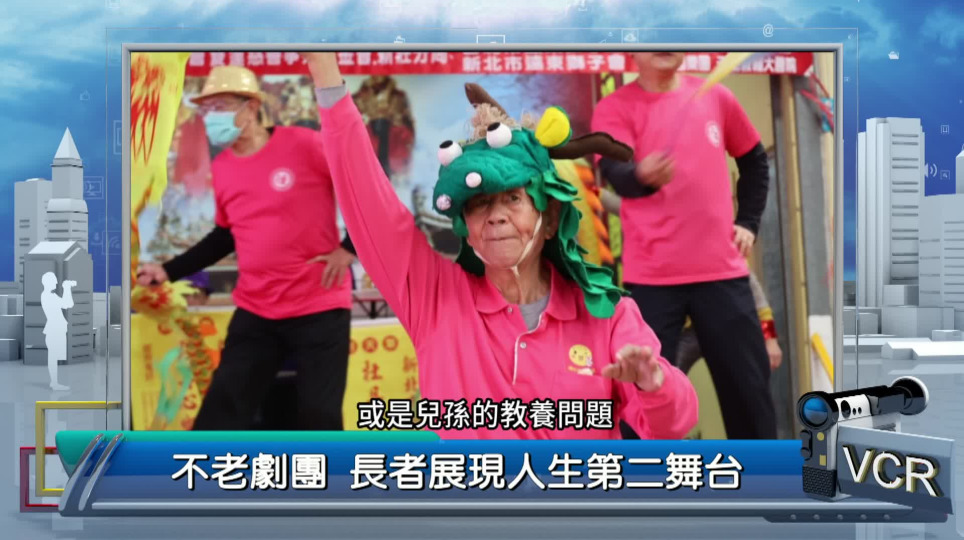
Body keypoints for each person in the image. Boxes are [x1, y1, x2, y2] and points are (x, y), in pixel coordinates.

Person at [302, 52, 698, 440]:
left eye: (513, 199)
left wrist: (654, 383)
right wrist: (323, 67)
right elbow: (365, 195)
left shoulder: (605, 313)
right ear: (466, 228)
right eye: (480, 204)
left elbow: (671, 426)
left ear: (550, 220)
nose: (496, 216)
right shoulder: (433, 297)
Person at [137, 65, 357, 431]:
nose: (212, 117)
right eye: (207, 109)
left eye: (221, 106)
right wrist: (168, 270)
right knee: (219, 417)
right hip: (257, 308)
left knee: (319, 419)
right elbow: (224, 235)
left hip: (319, 305)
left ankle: (324, 471)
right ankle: (201, 468)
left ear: (251, 107)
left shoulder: (305, 144)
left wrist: (350, 247)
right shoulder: (223, 167)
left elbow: (363, 187)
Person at [592, 52, 776, 439]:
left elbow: (756, 163)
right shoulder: (614, 108)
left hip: (723, 276)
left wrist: (748, 222)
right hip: (652, 282)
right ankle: (639, 477)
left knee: (751, 402)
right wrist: (640, 174)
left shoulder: (718, 97)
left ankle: (764, 478)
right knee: (639, 403)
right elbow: (615, 173)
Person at [600, 191, 783, 375]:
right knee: (666, 376)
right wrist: (590, 187)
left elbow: (752, 286)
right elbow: (624, 208)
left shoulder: (715, 236)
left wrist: (770, 339)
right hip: (683, 329)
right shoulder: (660, 226)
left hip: (720, 321)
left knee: (741, 378)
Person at [40, 272, 75, 391]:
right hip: (54, 330)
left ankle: (54, 382)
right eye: (54, 280)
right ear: (48, 282)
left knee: (53, 357)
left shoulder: (48, 295)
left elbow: (67, 304)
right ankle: (54, 383)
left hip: (55, 329)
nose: (56, 283)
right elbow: (68, 304)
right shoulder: (49, 296)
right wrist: (67, 288)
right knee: (53, 357)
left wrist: (67, 288)